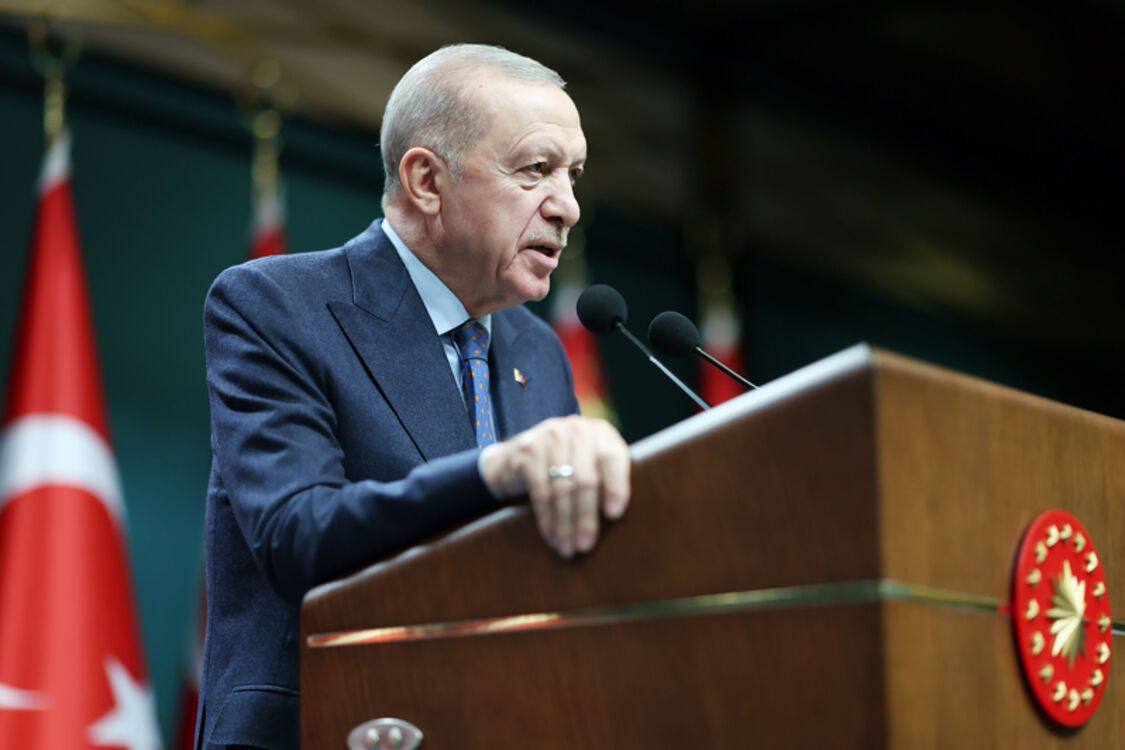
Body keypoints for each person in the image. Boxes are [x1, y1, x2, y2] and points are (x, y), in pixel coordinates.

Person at [197, 44, 631, 749]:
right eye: (536, 170)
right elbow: (298, 535)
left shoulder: (537, 352)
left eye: (573, 175)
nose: (568, 207)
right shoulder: (276, 306)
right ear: (426, 181)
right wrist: (494, 471)